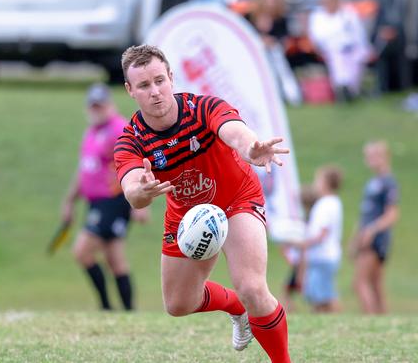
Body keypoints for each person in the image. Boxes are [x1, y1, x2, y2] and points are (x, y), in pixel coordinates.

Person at [114, 45, 292, 362]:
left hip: (237, 199)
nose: (155, 92)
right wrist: (141, 191)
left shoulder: (202, 108)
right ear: (130, 90)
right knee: (178, 304)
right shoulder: (131, 139)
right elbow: (132, 191)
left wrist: (251, 148)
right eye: (143, 85)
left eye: (159, 80)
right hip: (187, 216)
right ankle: (235, 307)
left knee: (252, 287)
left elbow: (235, 132)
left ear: (171, 77)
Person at [61, 83, 148, 311]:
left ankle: (106, 307)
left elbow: (135, 161)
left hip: (113, 200)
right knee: (115, 259)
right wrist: (70, 200)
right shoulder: (91, 132)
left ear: (110, 104)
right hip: (95, 203)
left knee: (82, 251)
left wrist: (140, 202)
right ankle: (129, 312)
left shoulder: (119, 129)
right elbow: (85, 170)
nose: (96, 109)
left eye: (101, 105)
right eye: (92, 105)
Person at [350, 141, 400, 315]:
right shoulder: (373, 181)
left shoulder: (388, 182)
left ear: (385, 157)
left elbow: (392, 214)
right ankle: (383, 321)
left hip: (375, 239)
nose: (370, 160)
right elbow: (365, 214)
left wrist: (372, 230)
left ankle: (370, 320)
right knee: (375, 283)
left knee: (360, 282)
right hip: (365, 236)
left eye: (374, 155)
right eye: (368, 156)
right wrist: (355, 237)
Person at [296, 166, 343, 313]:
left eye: (318, 180)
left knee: (324, 295)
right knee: (317, 293)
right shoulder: (331, 202)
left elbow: (322, 233)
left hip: (323, 256)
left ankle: (333, 316)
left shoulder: (326, 204)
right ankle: (320, 314)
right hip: (323, 256)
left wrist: (305, 243)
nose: (315, 184)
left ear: (326, 183)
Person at [308, 0, 372, 102]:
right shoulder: (317, 16)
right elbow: (318, 37)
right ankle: (342, 90)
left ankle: (352, 91)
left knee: (357, 61)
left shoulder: (348, 13)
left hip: (352, 48)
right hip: (332, 50)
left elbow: (359, 33)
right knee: (338, 66)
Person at [279, 184, 318, 312]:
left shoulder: (310, 219)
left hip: (303, 262)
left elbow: (304, 246)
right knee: (289, 290)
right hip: (302, 261)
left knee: (293, 291)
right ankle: (293, 312)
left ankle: (291, 312)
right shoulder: (309, 217)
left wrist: (289, 243)